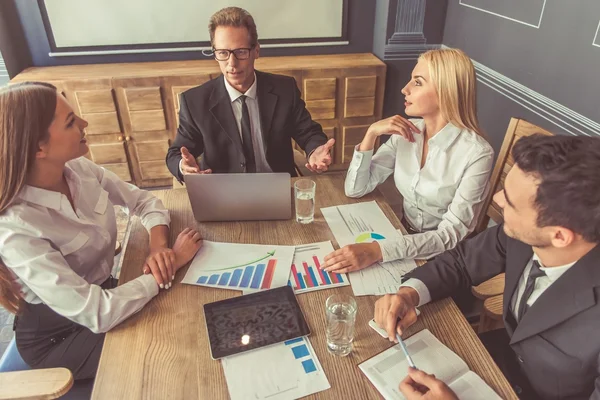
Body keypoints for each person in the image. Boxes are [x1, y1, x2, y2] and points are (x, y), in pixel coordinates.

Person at [0, 82, 203, 380]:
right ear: (38, 147)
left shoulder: (79, 169)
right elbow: (99, 313)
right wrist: (169, 264)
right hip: (60, 336)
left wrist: (159, 247)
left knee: (185, 316)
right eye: (71, 122)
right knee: (168, 354)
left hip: (105, 293)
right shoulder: (17, 229)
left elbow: (146, 202)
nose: (84, 123)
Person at [375, 134, 600, 399]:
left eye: (512, 203)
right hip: (497, 362)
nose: (497, 198)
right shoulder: (522, 235)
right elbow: (462, 261)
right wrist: (409, 294)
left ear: (560, 236)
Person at [322, 48, 493, 274]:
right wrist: (371, 133)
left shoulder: (477, 153)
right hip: (402, 236)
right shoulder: (406, 133)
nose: (405, 89)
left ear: (446, 91)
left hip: (448, 258)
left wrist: (377, 251)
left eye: (417, 82)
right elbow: (356, 189)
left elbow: (450, 235)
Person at [166, 6, 334, 182]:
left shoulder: (285, 89)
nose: (232, 63)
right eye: (223, 53)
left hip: (277, 187)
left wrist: (315, 151)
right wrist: (183, 167)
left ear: (256, 51)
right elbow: (175, 154)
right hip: (224, 192)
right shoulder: (194, 102)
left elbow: (308, 132)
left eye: (240, 52)